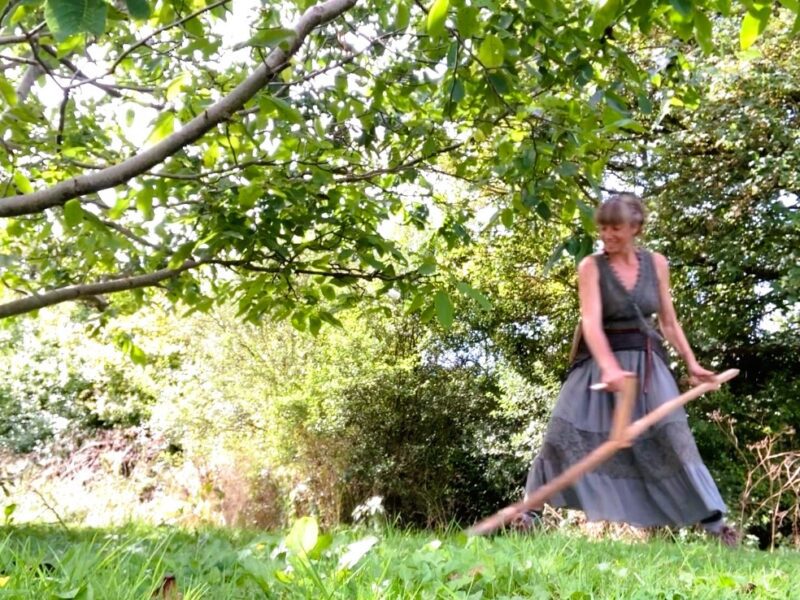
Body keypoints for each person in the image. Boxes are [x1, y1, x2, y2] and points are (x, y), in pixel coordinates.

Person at [520, 193, 738, 545]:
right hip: (598, 364)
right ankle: (528, 515)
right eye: (603, 228)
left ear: (635, 228)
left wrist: (692, 363)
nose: (607, 235)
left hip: (647, 363)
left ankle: (717, 526)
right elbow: (590, 323)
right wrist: (609, 370)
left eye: (615, 228)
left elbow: (668, 321)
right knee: (562, 435)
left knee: (673, 441)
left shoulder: (657, 264)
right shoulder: (591, 267)